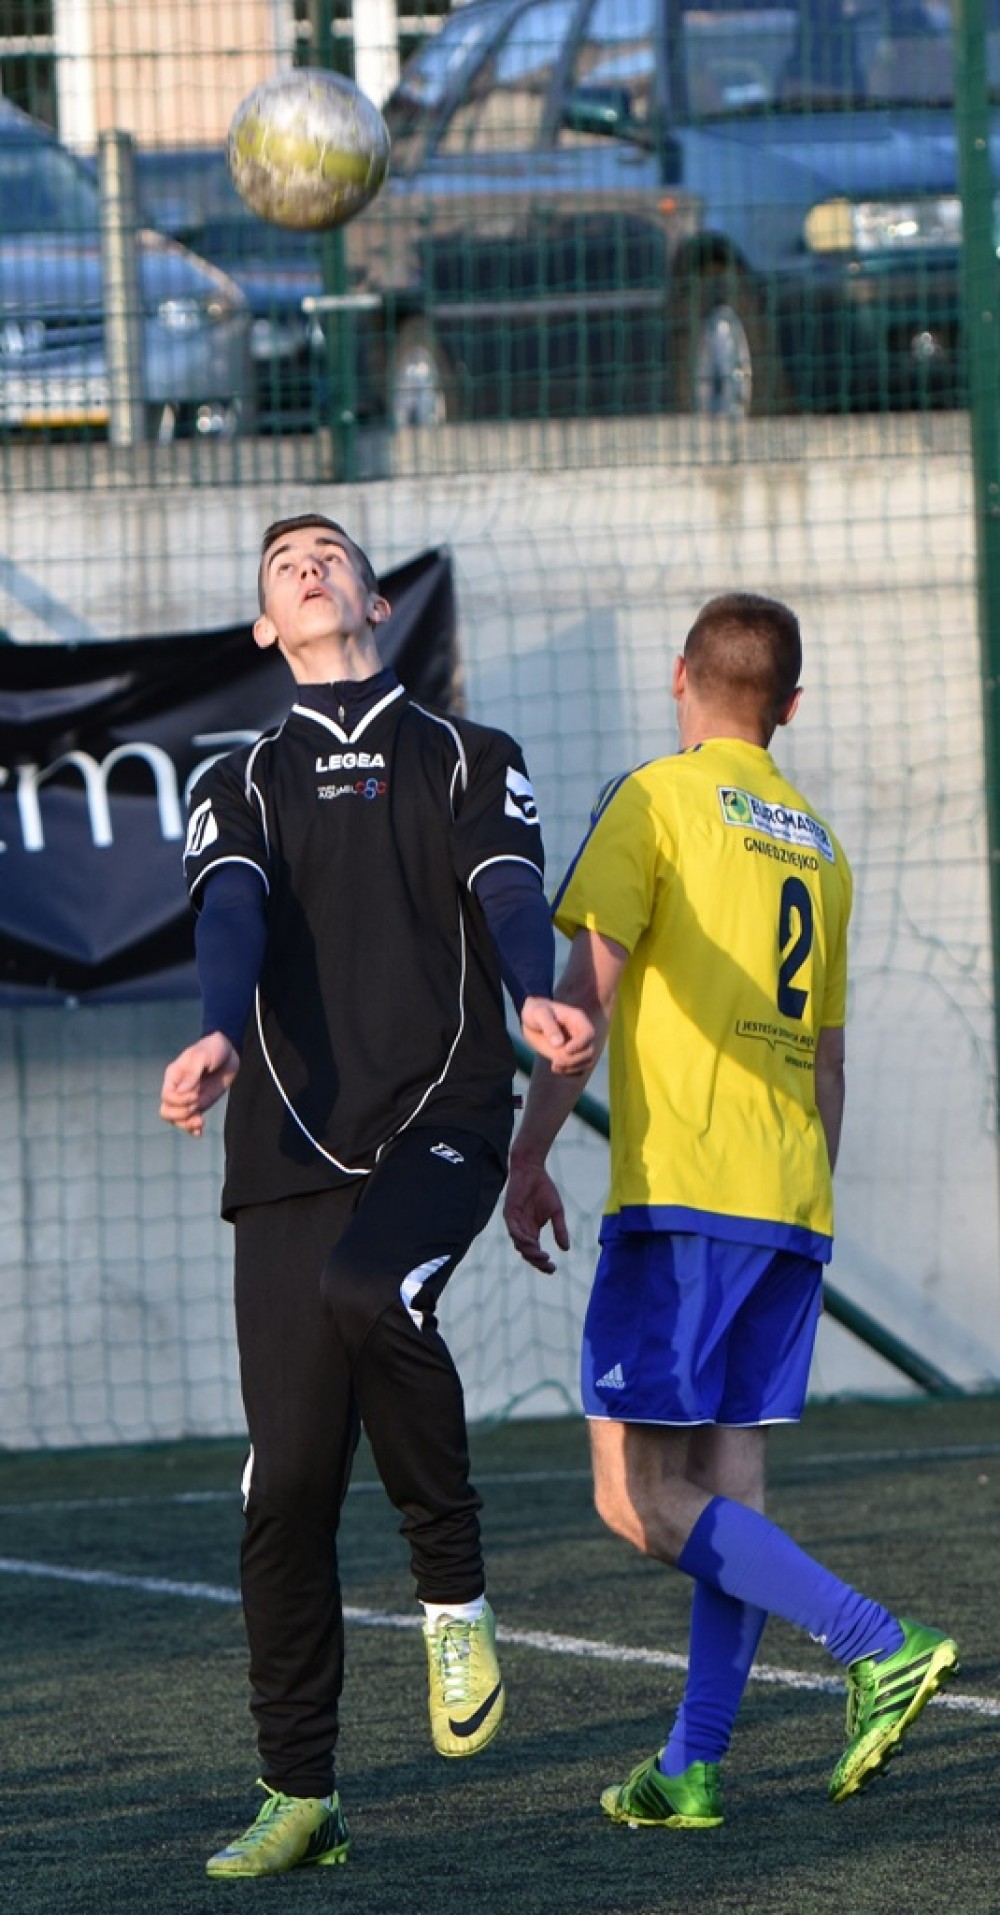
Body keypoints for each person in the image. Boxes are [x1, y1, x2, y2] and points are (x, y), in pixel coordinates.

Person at [159, 513, 593, 1879]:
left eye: (330, 552)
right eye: (282, 562)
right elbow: (231, 911)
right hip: (285, 1148)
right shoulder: (237, 776)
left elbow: (510, 891)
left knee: (374, 1287)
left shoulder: (471, 754)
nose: (308, 565)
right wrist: (217, 1030)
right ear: (263, 625)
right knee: (285, 1484)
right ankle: (301, 1792)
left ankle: (451, 1594)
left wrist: (533, 992)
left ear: (373, 599)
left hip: (441, 1116)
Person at [503, 592, 958, 1830]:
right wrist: (806, 1205)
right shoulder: (819, 844)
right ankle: (692, 1763)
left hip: (684, 1193)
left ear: (679, 676)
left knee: (637, 1497)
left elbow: (581, 1009)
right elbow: (831, 1063)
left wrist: (528, 1154)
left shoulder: (654, 798)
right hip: (789, 1196)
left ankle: (876, 1641)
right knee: (727, 1496)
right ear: (789, 706)